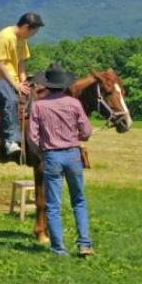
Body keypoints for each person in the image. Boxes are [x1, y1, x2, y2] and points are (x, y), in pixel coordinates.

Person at [28, 63, 94, 257]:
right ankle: (84, 244)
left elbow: (32, 137)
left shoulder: (38, 105)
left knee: (53, 204)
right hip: (73, 155)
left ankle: (58, 248)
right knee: (79, 201)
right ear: (65, 85)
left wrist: (41, 152)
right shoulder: (75, 104)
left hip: (51, 157)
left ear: (46, 85)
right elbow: (87, 132)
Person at [0, 12, 44, 163]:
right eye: (34, 32)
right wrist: (15, 85)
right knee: (11, 100)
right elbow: (0, 64)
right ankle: (11, 140)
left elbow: (21, 63)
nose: (34, 35)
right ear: (26, 27)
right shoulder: (5, 36)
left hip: (13, 80)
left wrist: (24, 81)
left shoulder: (22, 38)